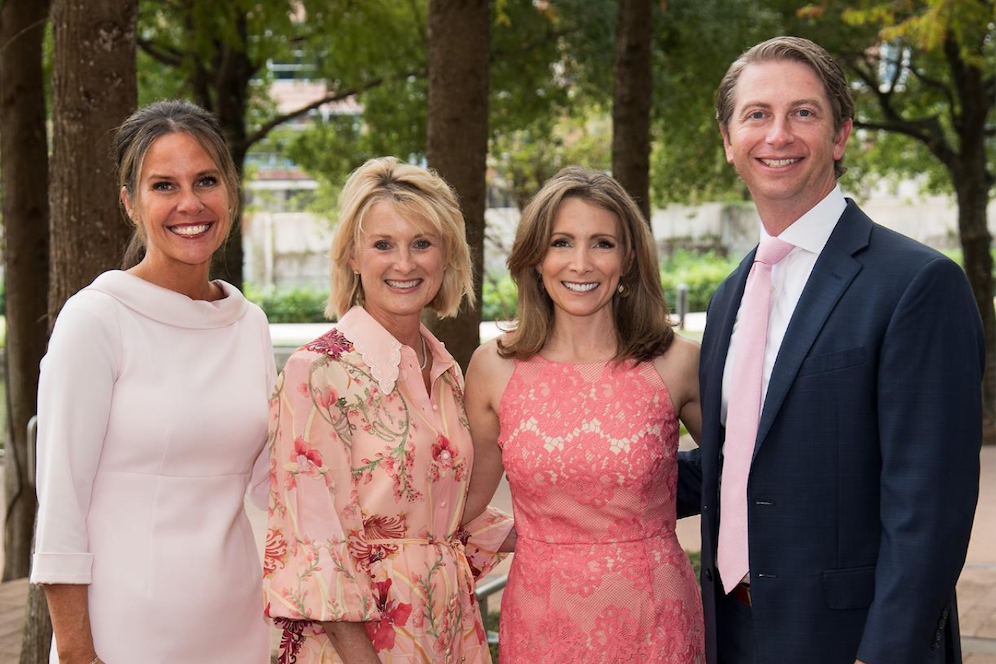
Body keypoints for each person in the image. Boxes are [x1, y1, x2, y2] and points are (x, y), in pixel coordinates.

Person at [676, 36, 985, 664]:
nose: (778, 134)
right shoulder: (731, 293)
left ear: (840, 135)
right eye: (757, 114)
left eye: (803, 113)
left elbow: (928, 504)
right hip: (731, 633)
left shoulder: (918, 284)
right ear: (728, 140)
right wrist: (570, 470)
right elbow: (737, 461)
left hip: (852, 643)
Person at [31, 100, 275, 664]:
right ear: (130, 203)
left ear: (231, 192)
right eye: (164, 185)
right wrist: (77, 654)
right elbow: (61, 507)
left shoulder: (250, 324)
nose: (190, 203)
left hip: (237, 626)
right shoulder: (96, 319)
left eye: (206, 180)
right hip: (122, 633)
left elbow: (274, 484)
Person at [263, 156, 513, 664]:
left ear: (446, 255)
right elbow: (317, 549)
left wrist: (581, 524)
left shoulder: (446, 370)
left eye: (422, 243)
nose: (404, 263)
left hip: (449, 631)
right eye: (383, 245)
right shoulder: (316, 372)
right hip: (361, 645)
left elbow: (440, 512)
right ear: (353, 256)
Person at [463, 166, 705, 663]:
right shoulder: (493, 368)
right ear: (535, 257)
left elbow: (749, 475)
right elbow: (462, 501)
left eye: (602, 243)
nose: (580, 263)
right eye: (561, 243)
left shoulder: (677, 362)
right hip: (541, 623)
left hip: (656, 622)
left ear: (629, 258)